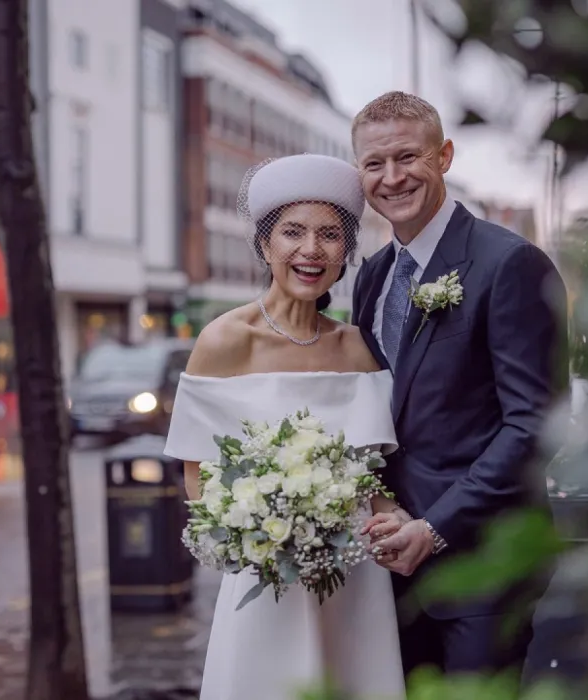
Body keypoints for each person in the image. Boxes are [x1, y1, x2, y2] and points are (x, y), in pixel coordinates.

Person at [164, 153, 409, 700]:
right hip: (265, 575)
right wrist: (258, 530)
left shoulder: (356, 347)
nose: (310, 250)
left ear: (345, 250)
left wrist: (394, 522)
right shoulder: (226, 340)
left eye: (329, 235)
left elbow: (376, 482)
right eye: (292, 232)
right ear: (265, 245)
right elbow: (199, 479)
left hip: (354, 578)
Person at [352, 92, 568, 679]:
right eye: (374, 164)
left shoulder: (510, 264)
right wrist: (386, 510)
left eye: (407, 157)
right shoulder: (371, 278)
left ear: (444, 155)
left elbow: (536, 425)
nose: (391, 178)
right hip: (389, 563)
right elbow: (373, 411)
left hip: (485, 565)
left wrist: (436, 528)